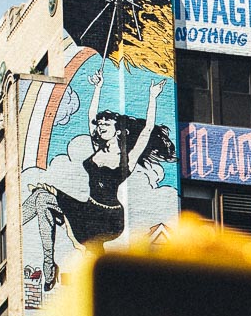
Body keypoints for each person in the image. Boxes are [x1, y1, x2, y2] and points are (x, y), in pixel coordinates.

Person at [25, 80, 173, 285]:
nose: (101, 126)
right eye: (100, 124)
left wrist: (152, 97)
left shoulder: (126, 158)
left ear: (119, 131)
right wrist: (97, 87)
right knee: (42, 198)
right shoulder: (97, 148)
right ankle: (47, 263)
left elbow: (147, 130)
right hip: (88, 209)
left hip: (109, 218)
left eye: (106, 124)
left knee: (44, 197)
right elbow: (90, 117)